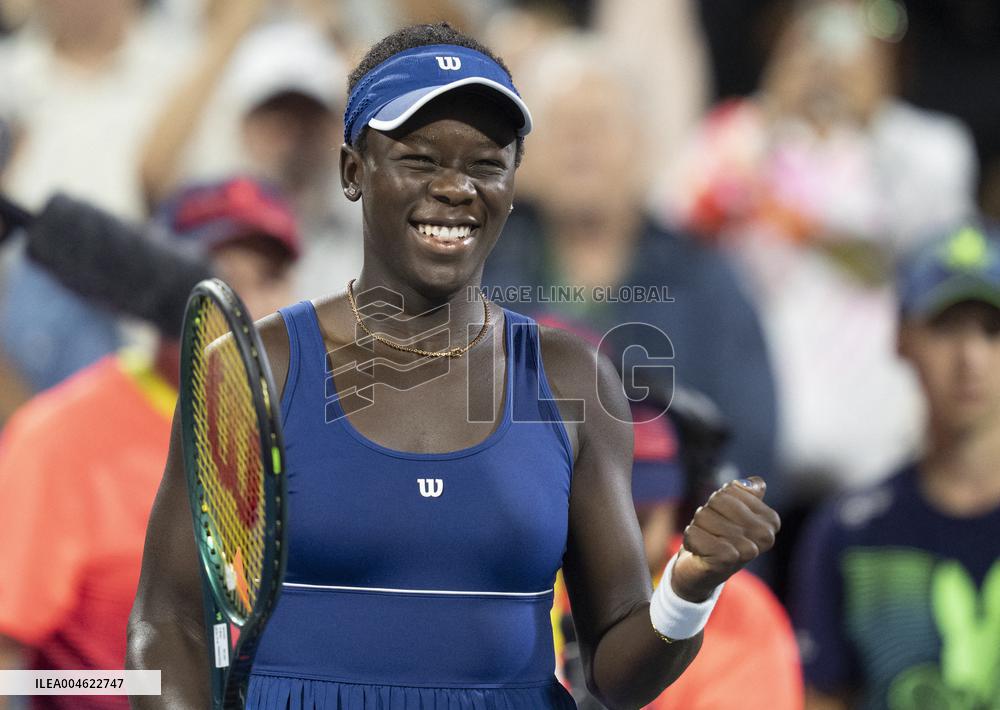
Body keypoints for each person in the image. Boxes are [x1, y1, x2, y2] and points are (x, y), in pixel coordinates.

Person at [127, 23, 781, 709]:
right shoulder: (259, 366)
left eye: (486, 164)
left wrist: (691, 584)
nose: (455, 188)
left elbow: (614, 675)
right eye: (419, 160)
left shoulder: (575, 378)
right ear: (353, 171)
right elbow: (165, 622)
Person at [0, 176, 299, 710]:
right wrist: (142, 687)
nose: (250, 303)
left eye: (271, 277)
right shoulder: (56, 440)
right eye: (226, 277)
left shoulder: (310, 434)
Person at [482, 35, 778, 493]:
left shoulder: (705, 280)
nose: (580, 142)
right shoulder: (480, 272)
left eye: (599, 124)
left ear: (642, 146)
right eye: (562, 126)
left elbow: (751, 445)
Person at [791, 223, 1000, 709]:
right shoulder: (851, 533)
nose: (970, 358)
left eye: (993, 330)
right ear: (902, 338)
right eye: (946, 328)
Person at [553, 377, 803, 710]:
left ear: (682, 508)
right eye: (590, 514)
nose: (610, 534)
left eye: (639, 519)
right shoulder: (518, 582)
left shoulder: (740, 610)